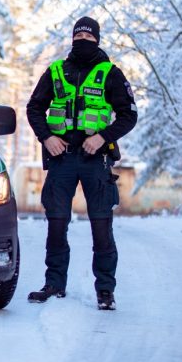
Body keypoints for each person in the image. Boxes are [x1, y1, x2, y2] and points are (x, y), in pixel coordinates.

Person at [25, 16, 137, 310]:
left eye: (88, 39)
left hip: (95, 159)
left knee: (101, 226)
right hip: (61, 159)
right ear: (72, 39)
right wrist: (47, 137)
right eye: (78, 38)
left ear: (97, 40)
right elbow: (34, 108)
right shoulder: (56, 72)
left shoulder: (110, 73)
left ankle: (105, 290)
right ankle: (54, 284)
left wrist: (102, 137)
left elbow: (129, 115)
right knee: (56, 223)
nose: (82, 43)